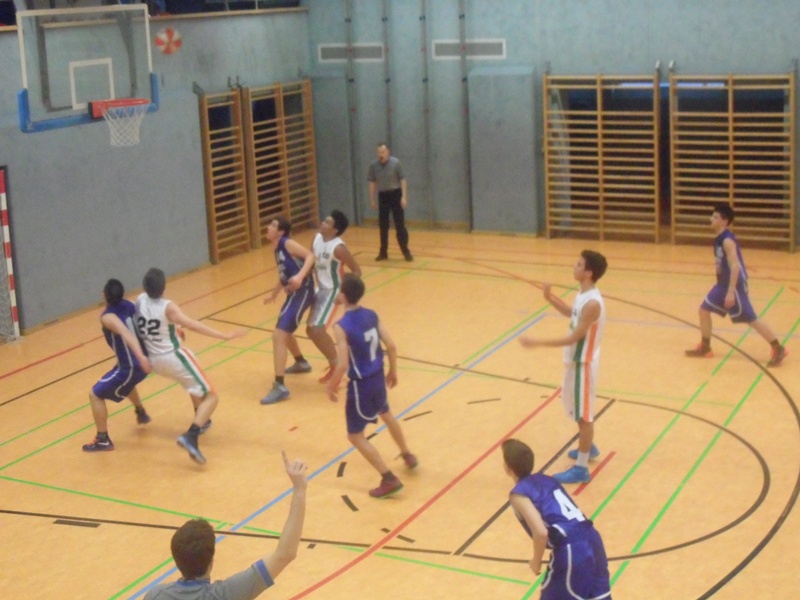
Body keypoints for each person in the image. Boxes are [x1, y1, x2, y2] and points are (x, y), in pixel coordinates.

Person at [144, 451, 308, 600]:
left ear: (177, 560)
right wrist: (299, 489)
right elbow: (285, 554)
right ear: (211, 561)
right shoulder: (226, 595)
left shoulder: (155, 595)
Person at [136, 268, 246, 464]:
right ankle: (191, 435)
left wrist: (174, 329)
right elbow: (193, 324)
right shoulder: (168, 307)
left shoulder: (140, 300)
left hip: (155, 360)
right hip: (174, 357)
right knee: (212, 396)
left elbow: (151, 323)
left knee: (192, 384)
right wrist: (223, 335)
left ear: (144, 286)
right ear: (164, 287)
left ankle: (202, 419)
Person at [519, 250, 607, 484]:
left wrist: (537, 342)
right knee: (577, 410)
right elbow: (572, 313)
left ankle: (581, 468)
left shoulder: (592, 303)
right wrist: (549, 297)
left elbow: (574, 337)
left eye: (578, 264)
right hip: (575, 362)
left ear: (588, 273)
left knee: (584, 416)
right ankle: (588, 446)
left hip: (583, 364)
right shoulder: (583, 294)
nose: (574, 267)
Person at [326, 274, 417, 498]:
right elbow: (391, 346)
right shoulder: (371, 315)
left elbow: (342, 364)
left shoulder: (341, 326)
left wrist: (331, 385)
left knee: (355, 435)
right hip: (378, 377)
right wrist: (392, 371)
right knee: (386, 413)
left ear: (343, 296)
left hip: (361, 386)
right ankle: (406, 454)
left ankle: (388, 478)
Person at [502, 438, 611, 600]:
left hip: (572, 547)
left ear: (508, 468)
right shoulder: (547, 479)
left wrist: (536, 561)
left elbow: (541, 533)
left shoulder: (519, 494)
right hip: (593, 539)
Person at [685, 202, 788, 367]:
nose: (711, 219)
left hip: (735, 286)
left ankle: (778, 347)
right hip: (722, 284)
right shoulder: (718, 239)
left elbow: (735, 267)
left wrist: (731, 292)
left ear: (724, 221)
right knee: (703, 310)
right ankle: (705, 347)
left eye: (715, 217)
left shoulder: (727, 241)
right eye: (712, 216)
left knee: (750, 318)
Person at [83, 278, 152, 452]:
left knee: (95, 395)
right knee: (125, 383)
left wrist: (139, 356)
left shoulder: (108, 317)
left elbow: (126, 334)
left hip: (132, 366)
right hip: (140, 361)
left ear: (104, 295)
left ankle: (103, 440)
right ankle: (140, 411)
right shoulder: (130, 305)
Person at [298, 210, 362, 385]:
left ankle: (338, 367)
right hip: (320, 288)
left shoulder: (338, 248)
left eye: (327, 222)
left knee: (317, 330)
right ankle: (335, 363)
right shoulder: (317, 238)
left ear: (335, 230)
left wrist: (345, 293)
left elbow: (357, 271)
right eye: (324, 220)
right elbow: (310, 261)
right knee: (310, 330)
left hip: (333, 291)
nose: (322, 223)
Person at [261, 216, 316, 405]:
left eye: (273, 225)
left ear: (281, 232)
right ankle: (301, 362)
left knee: (279, 335)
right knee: (284, 331)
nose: (268, 227)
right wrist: (274, 293)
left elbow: (310, 256)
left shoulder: (287, 243)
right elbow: (284, 274)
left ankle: (280, 386)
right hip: (293, 293)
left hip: (303, 291)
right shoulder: (277, 249)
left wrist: (300, 276)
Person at [368, 143, 413, 262]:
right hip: (383, 196)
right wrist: (372, 199)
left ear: (388, 152)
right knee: (383, 226)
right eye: (379, 152)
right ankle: (383, 252)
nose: (380, 154)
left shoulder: (396, 163)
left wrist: (403, 197)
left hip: (396, 194)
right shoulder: (373, 165)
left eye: (383, 152)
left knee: (400, 225)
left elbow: (402, 180)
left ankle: (406, 251)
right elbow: (372, 183)